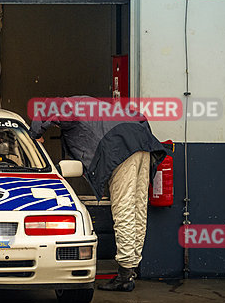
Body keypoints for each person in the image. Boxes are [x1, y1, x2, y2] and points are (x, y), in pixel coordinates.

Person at [31, 96, 168, 292]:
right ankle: (131, 267)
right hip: (143, 144)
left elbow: (46, 110)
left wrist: (36, 134)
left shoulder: (70, 105)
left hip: (120, 148)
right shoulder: (97, 106)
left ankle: (124, 275)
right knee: (138, 207)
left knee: (125, 208)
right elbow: (140, 117)